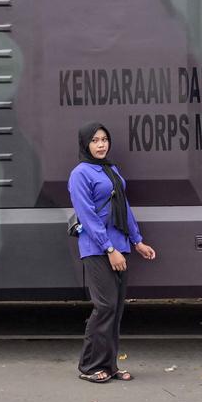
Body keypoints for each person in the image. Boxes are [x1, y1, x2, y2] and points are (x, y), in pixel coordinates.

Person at [69, 121, 156, 383]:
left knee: (115, 308)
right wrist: (109, 248)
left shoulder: (111, 170)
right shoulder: (80, 174)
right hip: (97, 249)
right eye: (95, 140)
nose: (100, 144)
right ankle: (89, 365)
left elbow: (124, 208)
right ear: (86, 144)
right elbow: (88, 215)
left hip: (120, 245)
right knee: (105, 305)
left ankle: (109, 364)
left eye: (104, 139)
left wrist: (137, 241)